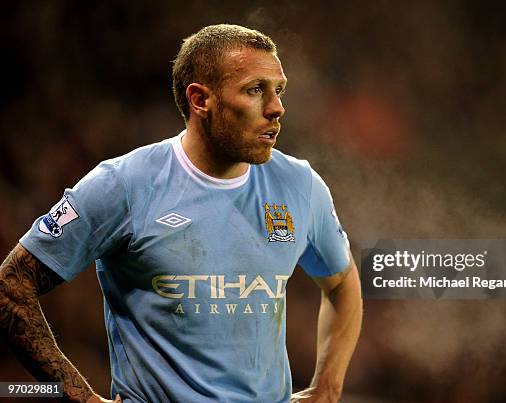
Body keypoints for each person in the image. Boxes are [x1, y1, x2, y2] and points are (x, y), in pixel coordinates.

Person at [0, 24, 362, 402]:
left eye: (278, 90)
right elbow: (12, 285)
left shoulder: (299, 185)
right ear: (200, 100)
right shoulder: (123, 184)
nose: (276, 108)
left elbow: (341, 281)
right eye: (255, 90)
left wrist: (328, 386)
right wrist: (79, 397)